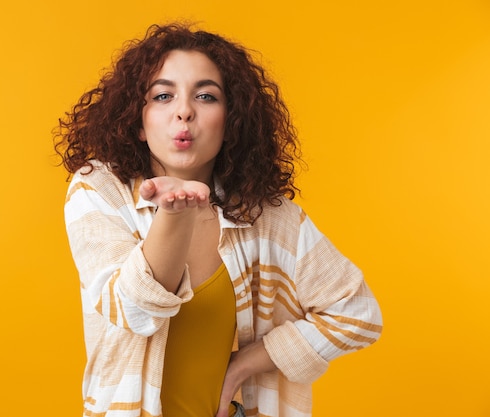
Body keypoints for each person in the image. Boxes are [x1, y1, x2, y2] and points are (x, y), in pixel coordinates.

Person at [53, 22, 382, 417]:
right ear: (138, 123)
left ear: (231, 121)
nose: (184, 111)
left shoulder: (266, 217)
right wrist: (174, 215)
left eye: (206, 96)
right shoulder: (100, 190)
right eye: (162, 96)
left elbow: (358, 313)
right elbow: (134, 313)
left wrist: (250, 360)